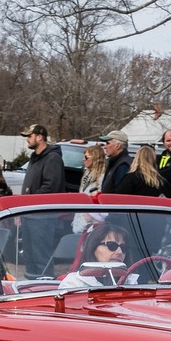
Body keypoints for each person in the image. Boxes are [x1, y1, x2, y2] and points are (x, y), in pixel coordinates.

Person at [21, 123, 65, 276]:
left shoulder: (52, 158)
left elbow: (50, 187)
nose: (27, 139)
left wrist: (30, 203)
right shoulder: (35, 158)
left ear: (39, 137)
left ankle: (44, 288)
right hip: (30, 215)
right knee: (29, 256)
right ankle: (30, 288)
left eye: (29, 136)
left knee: (41, 257)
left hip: (43, 217)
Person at [60, 222, 132, 289]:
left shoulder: (132, 282)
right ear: (93, 248)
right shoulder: (73, 283)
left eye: (123, 247)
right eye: (112, 245)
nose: (119, 252)